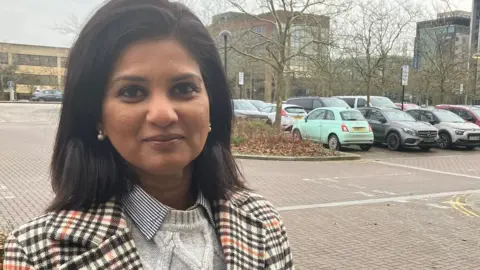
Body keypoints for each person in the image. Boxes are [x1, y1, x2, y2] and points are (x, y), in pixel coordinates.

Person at [2, 0, 293, 269]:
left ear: (212, 105)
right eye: (132, 92)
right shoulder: (36, 253)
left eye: (183, 88)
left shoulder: (263, 223)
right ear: (97, 116)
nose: (163, 114)